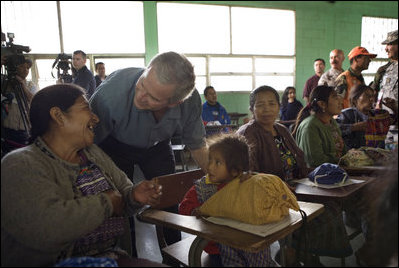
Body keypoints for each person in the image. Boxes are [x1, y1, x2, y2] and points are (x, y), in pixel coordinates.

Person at [1, 84, 164, 267]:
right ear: (58, 116)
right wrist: (107, 203)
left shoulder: (91, 153)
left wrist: (134, 195)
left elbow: (122, 194)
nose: (95, 118)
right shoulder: (20, 164)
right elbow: (46, 228)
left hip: (110, 259)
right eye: (86, 108)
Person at [89, 51, 208, 258]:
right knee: (121, 203)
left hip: (158, 146)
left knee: (169, 198)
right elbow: (89, 145)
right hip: (114, 146)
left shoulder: (188, 101)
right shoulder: (109, 96)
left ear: (174, 103)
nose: (141, 95)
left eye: (153, 97)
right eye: (142, 83)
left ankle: (173, 257)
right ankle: (127, 257)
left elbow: (197, 145)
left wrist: (219, 181)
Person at [179, 134, 277, 267]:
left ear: (235, 171)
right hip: (217, 250)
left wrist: (254, 179)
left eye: (217, 162)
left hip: (249, 245)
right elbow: (184, 207)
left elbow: (269, 189)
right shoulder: (203, 186)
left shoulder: (246, 181)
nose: (210, 167)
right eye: (210, 160)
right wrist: (194, 212)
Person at [237, 85, 308, 185]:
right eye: (260, 105)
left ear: (279, 107)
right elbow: (249, 174)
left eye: (271, 104)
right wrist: (279, 186)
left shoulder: (281, 129)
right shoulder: (247, 134)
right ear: (252, 109)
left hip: (298, 185)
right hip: (269, 192)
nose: (267, 109)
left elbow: (300, 158)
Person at [292, 85, 345, 167]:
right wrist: (341, 160)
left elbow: (342, 151)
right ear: (322, 104)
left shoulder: (332, 122)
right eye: (335, 98)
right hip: (316, 176)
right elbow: (314, 162)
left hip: (334, 171)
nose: (340, 101)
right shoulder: (310, 126)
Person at [336, 84, 397, 149]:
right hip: (354, 156)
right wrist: (353, 127)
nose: (372, 99)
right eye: (367, 96)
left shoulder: (378, 114)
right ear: (355, 99)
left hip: (378, 156)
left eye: (373, 96)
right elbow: (333, 130)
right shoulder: (347, 114)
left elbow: (395, 122)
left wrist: (394, 108)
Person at [1, 57, 34, 155]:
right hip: (7, 128)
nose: (25, 70)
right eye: (22, 67)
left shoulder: (30, 84)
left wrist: (23, 85)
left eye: (28, 68)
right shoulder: (4, 83)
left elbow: (33, 99)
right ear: (15, 67)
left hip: (24, 129)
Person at [372, 30, 398, 145]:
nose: (386, 49)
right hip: (385, 126)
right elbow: (376, 92)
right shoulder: (386, 69)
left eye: (390, 44)